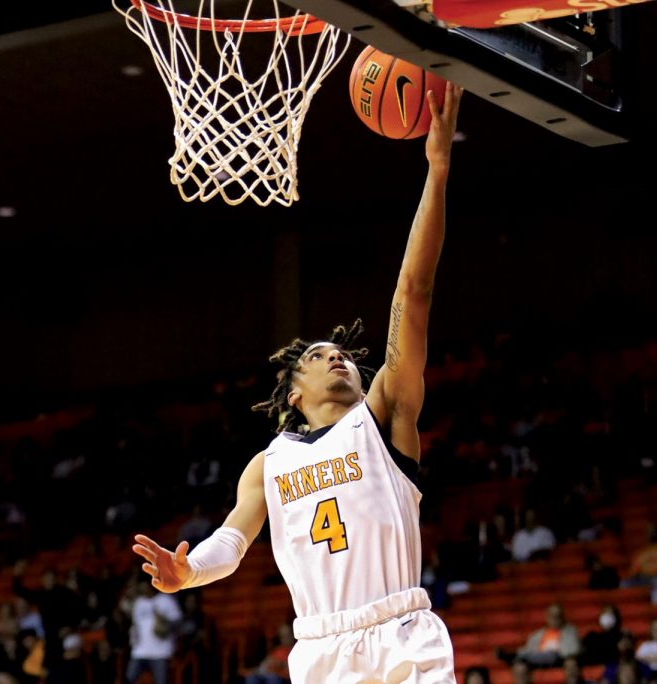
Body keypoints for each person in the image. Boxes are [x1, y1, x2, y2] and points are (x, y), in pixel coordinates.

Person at [132, 81, 464, 683]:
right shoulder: (269, 464)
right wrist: (190, 573)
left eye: (345, 355)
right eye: (319, 354)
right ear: (293, 392)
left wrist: (437, 171)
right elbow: (231, 543)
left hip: (400, 634)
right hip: (319, 649)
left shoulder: (382, 415)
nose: (338, 358)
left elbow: (413, 296)